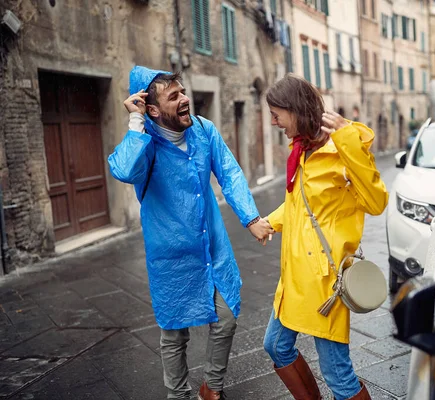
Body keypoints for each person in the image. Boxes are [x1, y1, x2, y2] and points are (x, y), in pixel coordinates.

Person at [108, 65, 274, 400]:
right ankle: (178, 394)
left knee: (226, 318)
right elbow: (123, 169)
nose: (185, 100)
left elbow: (230, 172)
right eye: (174, 96)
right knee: (174, 335)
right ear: (153, 109)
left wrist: (250, 217)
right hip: (171, 256)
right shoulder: (144, 144)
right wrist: (136, 122)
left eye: (182, 92)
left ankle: (212, 387)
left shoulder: (203, 130)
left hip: (213, 247)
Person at [262, 74, 389, 400]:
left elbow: (377, 203)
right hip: (295, 276)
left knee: (336, 372)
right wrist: (269, 222)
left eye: (277, 114)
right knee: (275, 345)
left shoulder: (340, 150)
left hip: (323, 281)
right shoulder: (302, 149)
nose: (274, 122)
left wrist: (348, 142)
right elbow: (299, 204)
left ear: (295, 110)